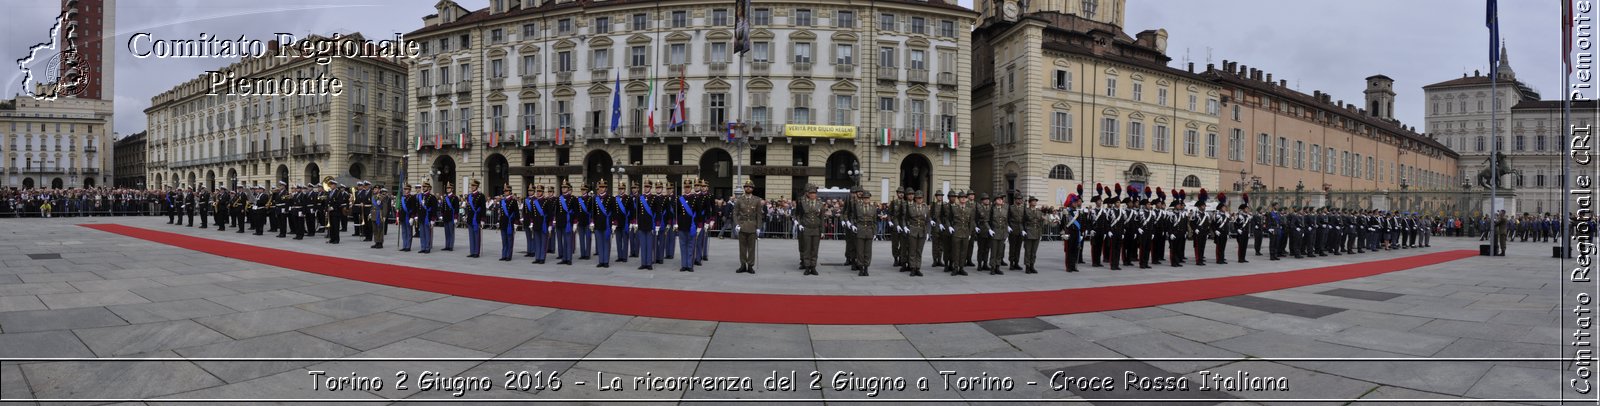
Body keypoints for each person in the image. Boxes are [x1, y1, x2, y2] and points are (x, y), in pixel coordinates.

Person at [734, 179, 765, 274]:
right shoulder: (739, 200)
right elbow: (735, 213)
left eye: (750, 187)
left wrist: (759, 227)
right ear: (744, 188)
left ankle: (750, 265)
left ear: (752, 189)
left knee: (751, 248)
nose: (748, 188)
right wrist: (737, 224)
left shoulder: (757, 200)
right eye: (746, 187)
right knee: (742, 248)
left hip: (752, 226)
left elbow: (759, 214)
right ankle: (743, 265)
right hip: (742, 226)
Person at [796, 184, 824, 275]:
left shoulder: (820, 203)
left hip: (816, 229)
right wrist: (799, 224)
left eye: (814, 193)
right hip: (807, 228)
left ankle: (813, 267)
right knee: (807, 248)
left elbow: (822, 218)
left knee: (815, 249)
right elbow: (799, 215)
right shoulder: (803, 202)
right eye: (811, 193)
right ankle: (807, 266)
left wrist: (822, 231)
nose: (813, 195)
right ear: (808, 194)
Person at [851, 189, 877, 276]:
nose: (866, 200)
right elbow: (853, 217)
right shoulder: (858, 207)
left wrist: (875, 233)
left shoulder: (873, 208)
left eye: (867, 198)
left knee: (868, 251)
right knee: (860, 251)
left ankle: (866, 268)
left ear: (869, 199)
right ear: (862, 199)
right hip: (860, 229)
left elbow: (875, 221)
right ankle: (861, 268)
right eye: (864, 198)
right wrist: (853, 225)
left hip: (869, 230)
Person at [635, 181, 657, 270]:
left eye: (648, 187)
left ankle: (649, 263)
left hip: (649, 224)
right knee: (643, 245)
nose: (646, 188)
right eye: (645, 186)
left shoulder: (654, 198)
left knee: (649, 245)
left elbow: (657, 212)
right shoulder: (640, 198)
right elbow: (637, 211)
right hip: (641, 224)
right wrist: (636, 222)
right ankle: (643, 263)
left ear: (650, 188)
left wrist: (656, 224)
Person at [594, 179, 615, 268]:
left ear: (606, 188)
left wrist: (614, 223)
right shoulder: (595, 199)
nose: (601, 189)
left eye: (603, 187)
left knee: (606, 243)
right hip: (598, 223)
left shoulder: (611, 198)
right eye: (600, 187)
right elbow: (593, 212)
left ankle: (606, 261)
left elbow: (614, 212)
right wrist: (592, 222)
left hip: (606, 224)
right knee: (599, 243)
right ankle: (601, 261)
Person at [1020, 195, 1042, 274]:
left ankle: (1032, 265)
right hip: (1029, 232)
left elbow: (1040, 223)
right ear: (1030, 202)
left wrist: (1041, 233)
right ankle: (1027, 266)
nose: (1035, 202)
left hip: (1037, 233)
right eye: (1033, 201)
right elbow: (1022, 222)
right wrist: (1022, 230)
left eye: (1035, 201)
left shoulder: (1039, 211)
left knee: (1034, 251)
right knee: (1028, 251)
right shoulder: (1026, 210)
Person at [465, 180, 487, 258]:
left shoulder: (481, 196)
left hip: (477, 218)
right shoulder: (469, 196)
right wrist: (466, 215)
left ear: (477, 187)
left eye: (474, 186)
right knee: (471, 236)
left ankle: (476, 252)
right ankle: (472, 251)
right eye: (471, 186)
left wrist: (483, 219)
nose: (472, 187)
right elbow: (468, 207)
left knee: (477, 236)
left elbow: (483, 208)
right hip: (470, 218)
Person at [496, 188, 520, 261]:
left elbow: (516, 213)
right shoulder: (502, 201)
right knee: (504, 240)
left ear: (510, 192)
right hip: (503, 222)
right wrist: (498, 221)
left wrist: (516, 223)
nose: (505, 192)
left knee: (509, 240)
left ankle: (508, 255)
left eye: (506, 191)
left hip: (510, 223)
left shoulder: (513, 201)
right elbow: (500, 213)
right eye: (504, 191)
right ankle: (504, 255)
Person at [417, 182, 437, 254]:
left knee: (427, 233)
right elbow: (418, 207)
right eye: (423, 187)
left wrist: (433, 219)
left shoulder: (432, 197)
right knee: (422, 233)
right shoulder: (421, 196)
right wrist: (417, 216)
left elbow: (434, 209)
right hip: (421, 217)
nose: (424, 188)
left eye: (425, 187)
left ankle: (427, 248)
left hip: (427, 217)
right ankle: (423, 247)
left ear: (428, 188)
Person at [440, 182, 459, 252]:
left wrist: (456, 217)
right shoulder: (445, 198)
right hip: (446, 217)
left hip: (451, 216)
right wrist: (442, 215)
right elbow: (442, 207)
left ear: (452, 189)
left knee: (451, 232)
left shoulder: (455, 198)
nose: (447, 189)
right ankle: (447, 245)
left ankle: (451, 246)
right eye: (447, 188)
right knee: (446, 232)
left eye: (449, 188)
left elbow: (456, 208)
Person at [398, 184, 415, 252]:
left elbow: (413, 208)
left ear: (410, 190)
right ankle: (404, 245)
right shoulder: (402, 197)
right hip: (403, 217)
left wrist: (412, 217)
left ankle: (408, 246)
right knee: (404, 232)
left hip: (408, 216)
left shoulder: (412, 197)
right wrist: (398, 216)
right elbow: (400, 208)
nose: (405, 190)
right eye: (405, 189)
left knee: (409, 232)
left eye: (407, 189)